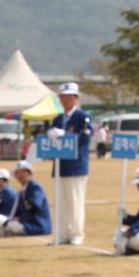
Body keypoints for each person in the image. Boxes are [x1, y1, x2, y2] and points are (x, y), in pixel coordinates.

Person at [48, 82, 92, 245]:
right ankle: (61, 233)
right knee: (60, 202)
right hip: (59, 166)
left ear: (76, 98)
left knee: (75, 201)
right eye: (63, 97)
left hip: (76, 167)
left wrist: (65, 134)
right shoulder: (57, 119)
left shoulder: (82, 117)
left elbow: (85, 139)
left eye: (69, 97)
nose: (66, 100)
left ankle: (76, 233)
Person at [2, 161, 50, 237]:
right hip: (28, 224)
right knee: (6, 224)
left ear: (29, 173)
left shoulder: (35, 187)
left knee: (10, 226)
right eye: (18, 173)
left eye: (23, 172)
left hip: (39, 226)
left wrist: (21, 220)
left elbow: (35, 207)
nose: (21, 175)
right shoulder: (21, 192)